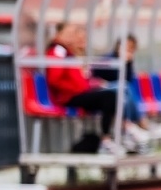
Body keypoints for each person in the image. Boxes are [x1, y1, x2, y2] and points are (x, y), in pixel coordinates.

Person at [45, 23, 122, 154]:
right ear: (58, 35)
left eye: (72, 34)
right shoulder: (58, 51)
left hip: (79, 92)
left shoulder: (67, 52)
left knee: (113, 95)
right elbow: (54, 79)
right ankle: (106, 138)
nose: (70, 37)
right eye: (67, 34)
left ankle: (117, 135)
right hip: (70, 96)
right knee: (110, 96)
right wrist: (75, 88)